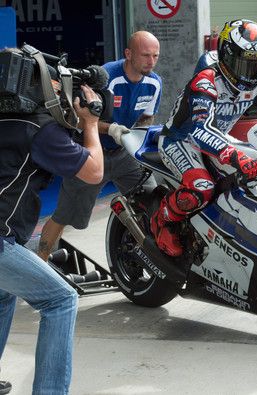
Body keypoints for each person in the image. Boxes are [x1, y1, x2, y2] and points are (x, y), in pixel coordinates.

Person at [0, 48, 104, 394]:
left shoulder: (11, 120)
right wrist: (91, 123)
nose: (63, 93)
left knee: (3, 293)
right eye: (59, 85)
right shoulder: (39, 130)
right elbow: (94, 171)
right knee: (60, 300)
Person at [151, 19, 257, 257]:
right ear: (227, 56)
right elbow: (200, 130)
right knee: (202, 188)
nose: (252, 74)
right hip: (182, 140)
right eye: (245, 64)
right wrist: (235, 155)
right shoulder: (207, 80)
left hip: (218, 141)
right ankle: (163, 219)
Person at [37, 31, 162, 261]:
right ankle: (40, 265)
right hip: (91, 151)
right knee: (64, 215)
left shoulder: (155, 82)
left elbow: (147, 117)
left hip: (124, 152)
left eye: (155, 56)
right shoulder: (105, 78)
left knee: (153, 201)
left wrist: (137, 136)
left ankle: (155, 263)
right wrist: (111, 129)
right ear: (128, 54)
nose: (151, 61)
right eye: (145, 55)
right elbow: (82, 116)